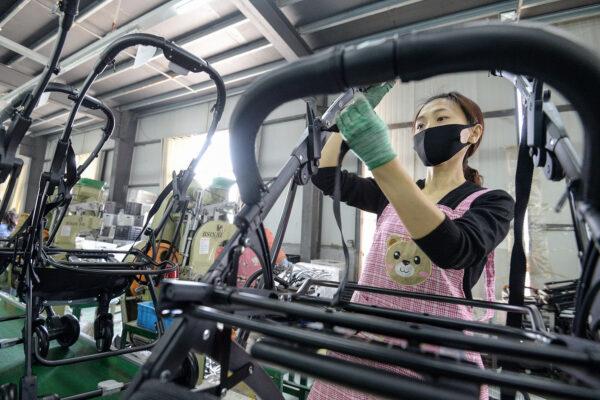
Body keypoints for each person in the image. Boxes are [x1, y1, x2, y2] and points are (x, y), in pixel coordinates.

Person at [307, 83, 514, 400]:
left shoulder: (492, 202)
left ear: (473, 134)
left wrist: (379, 157)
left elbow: (455, 249)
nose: (428, 129)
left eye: (441, 120)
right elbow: (324, 176)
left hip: (434, 362)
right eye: (420, 124)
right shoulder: (390, 192)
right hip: (365, 345)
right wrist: (341, 125)